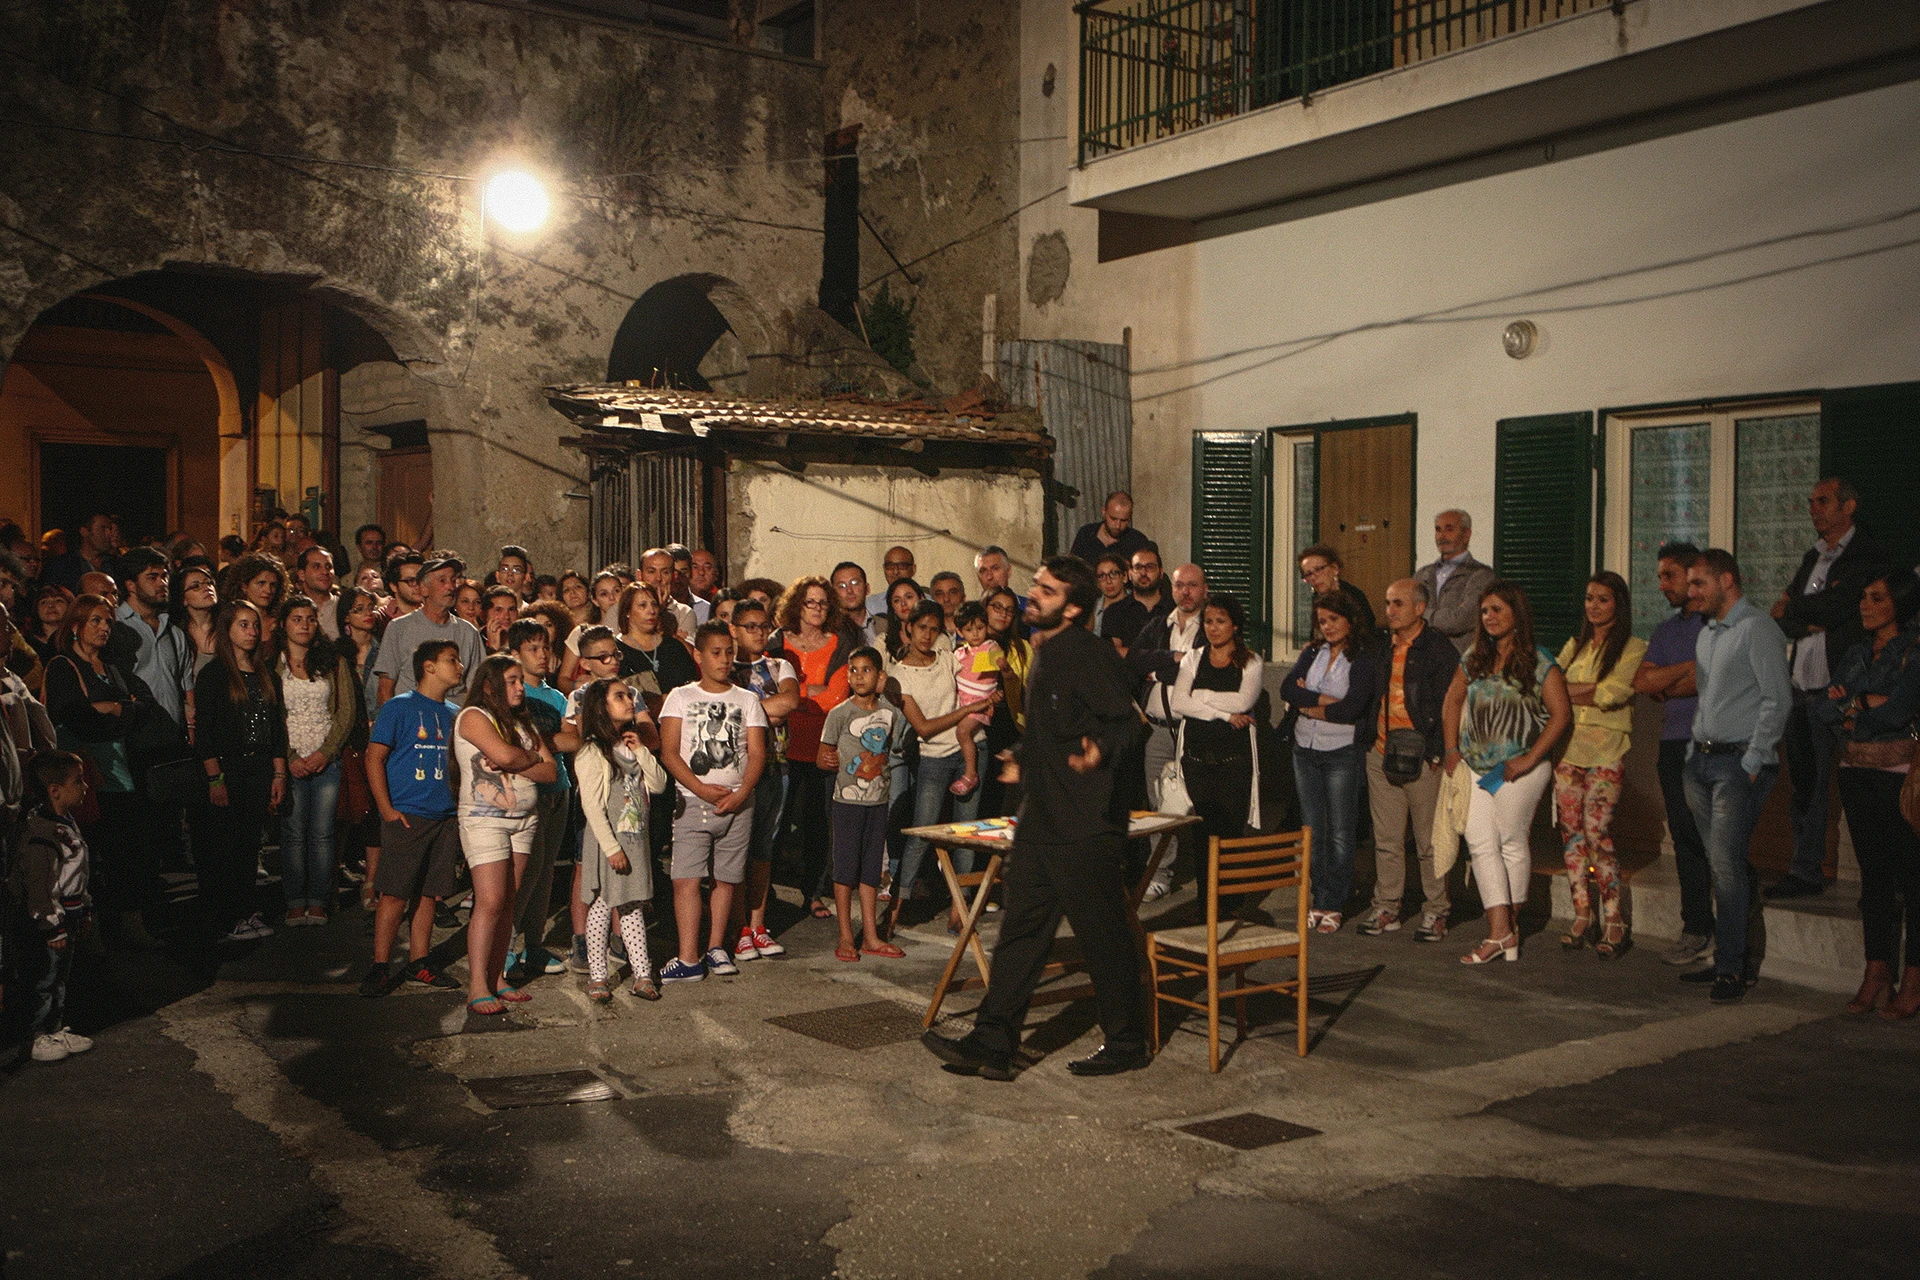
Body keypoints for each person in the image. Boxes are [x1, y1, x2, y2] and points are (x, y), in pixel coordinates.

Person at [922, 556, 1148, 1080]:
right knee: (1020, 936)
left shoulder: (1088, 654)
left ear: (1071, 607)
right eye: (1037, 584)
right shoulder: (1045, 653)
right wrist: (1022, 755)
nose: (1032, 593)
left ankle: (1127, 1041)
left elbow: (1128, 725)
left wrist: (1098, 752)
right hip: (1042, 822)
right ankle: (992, 1044)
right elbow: (1057, 727)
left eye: (1046, 590)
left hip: (1084, 826)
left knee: (1103, 937)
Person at [1769, 477, 1892, 901]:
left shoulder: (1866, 554)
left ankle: (1881, 880)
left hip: (1841, 688)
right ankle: (1805, 870)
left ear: (1848, 506)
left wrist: (1807, 610)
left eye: (1822, 501)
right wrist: (1810, 614)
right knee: (1806, 782)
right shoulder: (1812, 557)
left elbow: (1840, 610)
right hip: (1802, 686)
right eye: (1810, 502)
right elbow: (1781, 614)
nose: (1813, 509)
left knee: (1863, 785)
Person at [1682, 549, 1791, 1003]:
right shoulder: (1708, 635)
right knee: (1721, 864)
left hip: (1737, 763)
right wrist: (1692, 749)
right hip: (1702, 760)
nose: (1691, 594)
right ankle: (1728, 954)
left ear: (1726, 581)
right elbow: (1708, 699)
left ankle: (1732, 967)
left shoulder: (1757, 629)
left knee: (1726, 865)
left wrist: (1753, 760)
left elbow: (1777, 699)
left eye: (1698, 584)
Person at [1442, 581, 1571, 965]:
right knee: (1480, 841)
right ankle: (1502, 932)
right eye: (1485, 611)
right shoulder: (1474, 657)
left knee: (1511, 841)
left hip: (1519, 766)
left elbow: (1560, 714)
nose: (1490, 618)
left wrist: (1530, 759)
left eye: (1498, 609)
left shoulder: (1537, 660)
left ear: (1517, 613)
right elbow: (1452, 699)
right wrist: (1451, 749)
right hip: (1476, 764)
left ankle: (1504, 931)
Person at [1812, 571, 1920, 1018]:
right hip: (1855, 771)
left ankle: (1914, 977)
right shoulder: (1856, 651)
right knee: (1874, 877)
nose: (1865, 604)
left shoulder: (1913, 651)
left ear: (1899, 603)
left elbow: (1901, 708)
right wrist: (1860, 705)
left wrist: (1854, 705)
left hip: (1899, 775)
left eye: (1876, 597)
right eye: (1863, 596)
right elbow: (1824, 707)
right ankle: (1876, 970)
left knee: (1912, 877)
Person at [43, 593, 169, 951]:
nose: (103, 628)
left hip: (120, 772)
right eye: (96, 620)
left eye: (108, 622)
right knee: (89, 856)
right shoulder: (63, 666)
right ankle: (90, 932)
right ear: (76, 625)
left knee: (127, 853)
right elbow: (75, 720)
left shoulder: (111, 667)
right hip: (86, 775)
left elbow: (141, 709)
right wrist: (114, 713)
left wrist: (112, 709)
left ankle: (126, 926)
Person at [658, 622, 768, 983]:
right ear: (698, 655)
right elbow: (670, 753)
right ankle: (689, 956)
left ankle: (716, 946)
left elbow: (756, 753)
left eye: (728, 652)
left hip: (738, 805)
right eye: (716, 653)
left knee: (726, 877)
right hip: (693, 802)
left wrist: (742, 792)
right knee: (686, 879)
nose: (724, 660)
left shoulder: (747, 699)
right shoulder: (680, 697)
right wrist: (700, 789)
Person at [1355, 578, 1461, 942]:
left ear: (1420, 608)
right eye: (1387, 603)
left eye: (1398, 603)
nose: (1390, 611)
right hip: (1382, 752)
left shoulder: (1439, 650)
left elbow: (1451, 704)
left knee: (1429, 841)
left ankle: (1436, 911)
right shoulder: (1382, 647)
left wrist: (1440, 750)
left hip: (1423, 756)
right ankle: (1387, 906)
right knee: (1386, 839)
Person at [359, 640, 467, 997]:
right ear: (429, 667)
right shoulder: (399, 708)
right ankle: (380, 965)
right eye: (451, 660)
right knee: (394, 894)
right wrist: (387, 810)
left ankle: (420, 960)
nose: (460, 665)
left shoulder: (454, 712)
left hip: (444, 816)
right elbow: (374, 758)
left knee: (429, 894)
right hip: (408, 814)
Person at [884, 601, 996, 935]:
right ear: (909, 627)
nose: (928, 635)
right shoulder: (898, 674)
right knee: (923, 830)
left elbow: (981, 674)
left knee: (965, 833)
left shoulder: (948, 659)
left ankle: (960, 907)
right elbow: (924, 728)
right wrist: (970, 709)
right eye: (922, 628)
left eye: (934, 629)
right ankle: (896, 904)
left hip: (972, 749)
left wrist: (992, 692)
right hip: (933, 756)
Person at [453, 654, 557, 1015]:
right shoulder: (473, 717)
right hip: (486, 820)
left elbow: (550, 772)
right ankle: (477, 984)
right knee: (491, 900)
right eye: (511, 680)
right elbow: (505, 756)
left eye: (519, 680)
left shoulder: (522, 722)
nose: (519, 687)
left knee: (509, 903)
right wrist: (526, 758)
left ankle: (497, 977)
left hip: (523, 821)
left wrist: (520, 756)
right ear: (489, 685)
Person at [1553, 572, 1648, 958]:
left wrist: (1570, 692)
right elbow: (1549, 684)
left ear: (1618, 604)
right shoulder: (1574, 645)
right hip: (1567, 749)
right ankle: (1581, 914)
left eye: (1603, 599)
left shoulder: (1633, 646)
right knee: (1570, 835)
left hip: (1607, 749)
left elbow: (1613, 694)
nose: (1594, 606)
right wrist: (1582, 692)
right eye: (1589, 598)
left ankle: (1614, 919)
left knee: (1597, 833)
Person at [1282, 591, 1381, 932]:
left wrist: (1310, 704)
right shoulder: (1312, 652)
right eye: (1322, 621)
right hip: (1304, 748)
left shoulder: (1364, 657)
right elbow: (1287, 690)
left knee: (1340, 830)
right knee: (1313, 828)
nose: (1327, 627)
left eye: (1334, 620)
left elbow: (1353, 707)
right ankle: (1317, 897)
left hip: (1340, 750)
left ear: (1350, 620)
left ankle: (1333, 901)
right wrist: (1323, 702)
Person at [1634, 543, 1713, 967]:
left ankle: (1732, 930)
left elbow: (1711, 678)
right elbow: (1645, 684)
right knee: (1684, 836)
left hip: (1711, 740)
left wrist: (1676, 677)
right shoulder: (1666, 632)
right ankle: (1696, 926)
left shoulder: (1717, 625)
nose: (1662, 585)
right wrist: (1686, 671)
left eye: (1670, 576)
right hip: (1673, 742)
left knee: (1715, 837)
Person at [195, 600, 289, 944]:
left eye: (254, 625)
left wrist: (278, 775)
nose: (251, 632)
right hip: (228, 769)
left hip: (259, 769)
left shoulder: (267, 676)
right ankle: (225, 916)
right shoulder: (214, 675)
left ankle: (246, 909)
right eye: (243, 625)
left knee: (249, 845)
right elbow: (204, 733)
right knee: (225, 846)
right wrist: (214, 778)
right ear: (227, 630)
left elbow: (277, 729)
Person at [769, 576, 861, 920]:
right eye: (811, 602)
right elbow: (771, 692)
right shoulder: (778, 643)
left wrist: (796, 696)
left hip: (823, 746)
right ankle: (765, 892)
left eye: (824, 602)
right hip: (781, 747)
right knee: (775, 826)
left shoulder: (839, 643)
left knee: (818, 826)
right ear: (797, 605)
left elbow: (835, 697)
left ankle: (814, 892)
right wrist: (805, 694)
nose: (818, 608)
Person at [573, 676, 669, 1001]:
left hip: (635, 841)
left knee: (632, 906)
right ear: (601, 707)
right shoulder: (591, 751)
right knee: (604, 906)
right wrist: (611, 848)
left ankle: (642, 974)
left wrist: (642, 751)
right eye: (620, 697)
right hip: (610, 843)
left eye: (629, 696)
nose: (629, 701)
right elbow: (591, 805)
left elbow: (658, 784)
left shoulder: (632, 746)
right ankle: (598, 975)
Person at [816, 646, 910, 963]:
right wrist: (828, 760)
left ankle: (870, 935)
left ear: (880, 676)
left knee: (871, 870)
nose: (858, 676)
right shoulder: (839, 714)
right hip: (846, 801)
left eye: (866, 670)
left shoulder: (891, 714)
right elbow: (822, 756)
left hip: (879, 801)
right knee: (845, 869)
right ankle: (846, 935)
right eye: (853, 670)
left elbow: (893, 752)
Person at [275, 597, 357, 927]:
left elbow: (346, 710)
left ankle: (319, 900)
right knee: (293, 832)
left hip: (327, 758)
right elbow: (272, 715)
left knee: (322, 833)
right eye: (297, 619)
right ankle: (296, 901)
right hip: (289, 759)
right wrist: (290, 758)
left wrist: (326, 752)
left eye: (310, 619)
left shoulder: (333, 661)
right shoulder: (273, 664)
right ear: (284, 624)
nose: (305, 625)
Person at [1127, 561, 1208, 900]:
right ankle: (1161, 872)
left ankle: (1208, 878)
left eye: (1192, 585)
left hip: (1195, 730)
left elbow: (1203, 671)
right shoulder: (1159, 624)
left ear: (1204, 589)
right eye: (1179, 586)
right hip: (1157, 731)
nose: (1185, 592)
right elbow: (1134, 660)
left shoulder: (1212, 626)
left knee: (1198, 804)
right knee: (1159, 805)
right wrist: (1172, 656)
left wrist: (1160, 673)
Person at [1169, 593, 1265, 873]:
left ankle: (1230, 904)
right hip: (1197, 761)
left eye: (1220, 621)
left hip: (1233, 762)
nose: (1213, 627)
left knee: (1230, 833)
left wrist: (1199, 695)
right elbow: (1178, 702)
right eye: (1208, 621)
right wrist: (1222, 714)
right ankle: (1205, 905)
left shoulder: (1251, 661)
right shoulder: (1193, 659)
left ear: (1234, 625)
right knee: (1202, 834)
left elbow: (1243, 702)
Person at [10, 751, 96, 1064]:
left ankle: (54, 1028)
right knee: (42, 980)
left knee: (59, 979)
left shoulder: (65, 823)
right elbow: (40, 888)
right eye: (78, 780)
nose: (85, 786)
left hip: (68, 918)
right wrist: (52, 926)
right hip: (49, 926)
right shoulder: (42, 834)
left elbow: (75, 876)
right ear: (54, 789)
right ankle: (35, 1036)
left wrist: (83, 909)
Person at [727, 597, 797, 962]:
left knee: (764, 849)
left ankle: (758, 925)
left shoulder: (779, 665)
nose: (759, 633)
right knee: (736, 849)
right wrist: (762, 714)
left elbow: (790, 702)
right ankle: (737, 927)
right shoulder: (724, 665)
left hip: (775, 765)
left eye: (763, 626)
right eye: (750, 626)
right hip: (735, 771)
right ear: (734, 630)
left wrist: (745, 713)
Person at [504, 619, 573, 982]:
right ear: (514, 654)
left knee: (545, 874)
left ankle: (533, 945)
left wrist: (546, 741)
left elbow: (571, 740)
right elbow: (518, 745)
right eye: (533, 648)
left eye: (545, 647)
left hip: (558, 787)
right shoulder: (512, 695)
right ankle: (504, 947)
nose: (543, 654)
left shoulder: (556, 697)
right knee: (523, 876)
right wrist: (550, 740)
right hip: (526, 793)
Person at [373, 555, 484, 704]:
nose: (451, 587)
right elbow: (385, 687)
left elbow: (477, 687)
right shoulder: (399, 628)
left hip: (454, 718)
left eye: (453, 580)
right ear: (424, 589)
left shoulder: (469, 632)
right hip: (413, 719)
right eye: (442, 581)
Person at [336, 587, 385, 910]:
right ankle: (329, 879)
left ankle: (372, 881)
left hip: (377, 740)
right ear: (346, 618)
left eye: (370, 607)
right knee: (341, 811)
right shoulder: (333, 654)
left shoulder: (385, 652)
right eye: (358, 608)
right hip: (343, 742)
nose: (367, 612)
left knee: (375, 813)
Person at [1415, 509, 1498, 655]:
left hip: (1460, 660)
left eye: (1449, 529)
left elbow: (1459, 621)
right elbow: (1405, 614)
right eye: (1438, 530)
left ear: (1466, 535)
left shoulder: (1481, 575)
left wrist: (1420, 613)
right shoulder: (1422, 574)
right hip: (1422, 659)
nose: (1442, 536)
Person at [615, 581, 698, 715]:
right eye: (643, 605)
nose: (651, 611)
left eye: (654, 604)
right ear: (627, 611)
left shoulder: (674, 646)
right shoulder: (616, 650)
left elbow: (693, 686)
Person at [949, 601, 1002, 797]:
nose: (976, 634)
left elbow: (1000, 663)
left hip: (980, 704)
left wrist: (1003, 666)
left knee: (963, 732)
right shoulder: (960, 652)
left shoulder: (990, 646)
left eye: (980, 628)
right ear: (960, 631)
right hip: (962, 702)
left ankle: (971, 774)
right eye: (969, 630)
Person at [1100, 544, 1169, 654]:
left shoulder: (1174, 609)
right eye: (1138, 567)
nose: (1143, 573)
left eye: (1150, 567)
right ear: (1130, 574)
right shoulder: (1114, 612)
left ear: (1161, 573)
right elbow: (1113, 654)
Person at [1298, 544, 1377, 637]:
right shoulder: (1316, 598)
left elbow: (1367, 634)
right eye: (1308, 574)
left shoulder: (1353, 596)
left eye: (1318, 569)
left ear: (1335, 569)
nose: (1314, 577)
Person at [1070, 490, 1152, 568]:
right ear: (1104, 512)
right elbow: (1072, 569)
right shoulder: (1086, 534)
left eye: (1124, 520)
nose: (1117, 525)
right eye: (1113, 519)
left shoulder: (1137, 541)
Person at [41, 510, 120, 592]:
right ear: (84, 532)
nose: (109, 534)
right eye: (103, 529)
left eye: (110, 529)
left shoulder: (116, 565)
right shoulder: (60, 567)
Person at [222, 553, 289, 647]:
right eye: (261, 583)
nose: (268, 590)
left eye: (273, 585)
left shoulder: (282, 622)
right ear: (244, 586)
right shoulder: (229, 620)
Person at [639, 547, 698, 638]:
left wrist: (661, 611)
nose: (658, 578)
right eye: (651, 572)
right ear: (640, 575)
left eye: (665, 572)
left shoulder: (685, 613)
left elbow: (682, 651)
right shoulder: (618, 610)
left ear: (673, 577)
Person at [831, 561, 884, 647]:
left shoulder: (884, 626)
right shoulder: (829, 629)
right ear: (833, 593)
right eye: (842, 586)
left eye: (854, 583)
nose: (849, 590)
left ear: (867, 588)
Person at [294, 546, 341, 640]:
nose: (325, 572)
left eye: (328, 567)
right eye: (316, 566)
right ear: (302, 575)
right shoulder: (291, 608)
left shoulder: (343, 606)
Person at [866, 546, 916, 619]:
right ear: (884, 569)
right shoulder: (870, 605)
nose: (895, 571)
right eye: (890, 566)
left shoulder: (929, 603)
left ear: (913, 569)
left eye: (902, 566)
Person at [1090, 553, 1130, 644]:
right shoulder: (1091, 607)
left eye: (1113, 574)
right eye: (1102, 576)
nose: (1108, 581)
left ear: (1125, 577)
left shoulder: (1136, 605)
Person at [974, 546, 1026, 613]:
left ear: (1008, 571)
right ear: (978, 576)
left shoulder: (1028, 609)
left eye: (995, 568)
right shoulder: (972, 614)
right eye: (983, 571)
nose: (989, 576)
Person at [382, 550, 425, 622]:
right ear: (393, 586)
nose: (418, 586)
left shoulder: (436, 615)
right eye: (411, 581)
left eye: (422, 579)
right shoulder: (382, 618)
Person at [928, 571, 968, 639]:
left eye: (953, 592)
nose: (946, 599)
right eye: (940, 594)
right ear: (932, 600)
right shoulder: (927, 634)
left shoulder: (977, 631)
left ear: (963, 598)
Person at [481, 586, 519, 653]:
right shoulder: (475, 639)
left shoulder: (525, 640)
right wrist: (493, 648)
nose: (507, 617)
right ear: (485, 614)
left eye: (511, 610)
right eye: (498, 610)